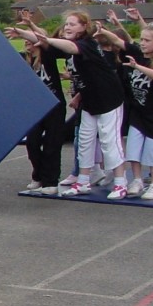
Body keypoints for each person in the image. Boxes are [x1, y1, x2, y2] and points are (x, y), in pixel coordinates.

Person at [35, 11, 128, 199]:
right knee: (84, 142)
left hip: (109, 99)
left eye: (72, 24)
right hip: (89, 100)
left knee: (110, 142)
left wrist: (47, 39)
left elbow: (69, 47)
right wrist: (24, 33)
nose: (67, 27)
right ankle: (83, 181)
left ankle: (120, 183)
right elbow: (45, 42)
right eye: (66, 24)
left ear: (84, 27)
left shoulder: (88, 44)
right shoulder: (67, 45)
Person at [101, 21, 153, 199]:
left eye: (147, 40)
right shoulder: (137, 53)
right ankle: (137, 180)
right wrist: (104, 32)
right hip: (138, 112)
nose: (143, 43)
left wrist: (137, 67)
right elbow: (118, 41)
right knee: (133, 149)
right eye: (142, 39)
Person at [6, 14, 67, 195]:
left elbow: (42, 37)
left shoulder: (47, 56)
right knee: (32, 142)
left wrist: (30, 26)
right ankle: (38, 176)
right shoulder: (25, 60)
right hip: (36, 108)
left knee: (52, 144)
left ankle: (51, 181)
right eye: (26, 42)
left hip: (54, 106)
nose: (28, 44)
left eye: (30, 41)